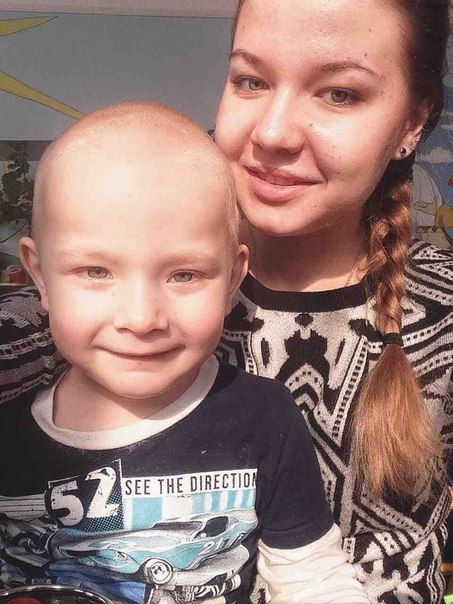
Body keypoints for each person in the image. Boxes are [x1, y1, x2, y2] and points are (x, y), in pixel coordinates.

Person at [0, 0, 451, 602]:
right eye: (251, 80)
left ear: (413, 122)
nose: (273, 133)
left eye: (340, 94)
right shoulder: (28, 336)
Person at [0, 102, 369, 604]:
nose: (141, 318)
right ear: (40, 276)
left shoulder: (263, 418)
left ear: (232, 279)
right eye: (95, 272)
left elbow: (314, 581)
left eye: (184, 274)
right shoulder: (8, 438)